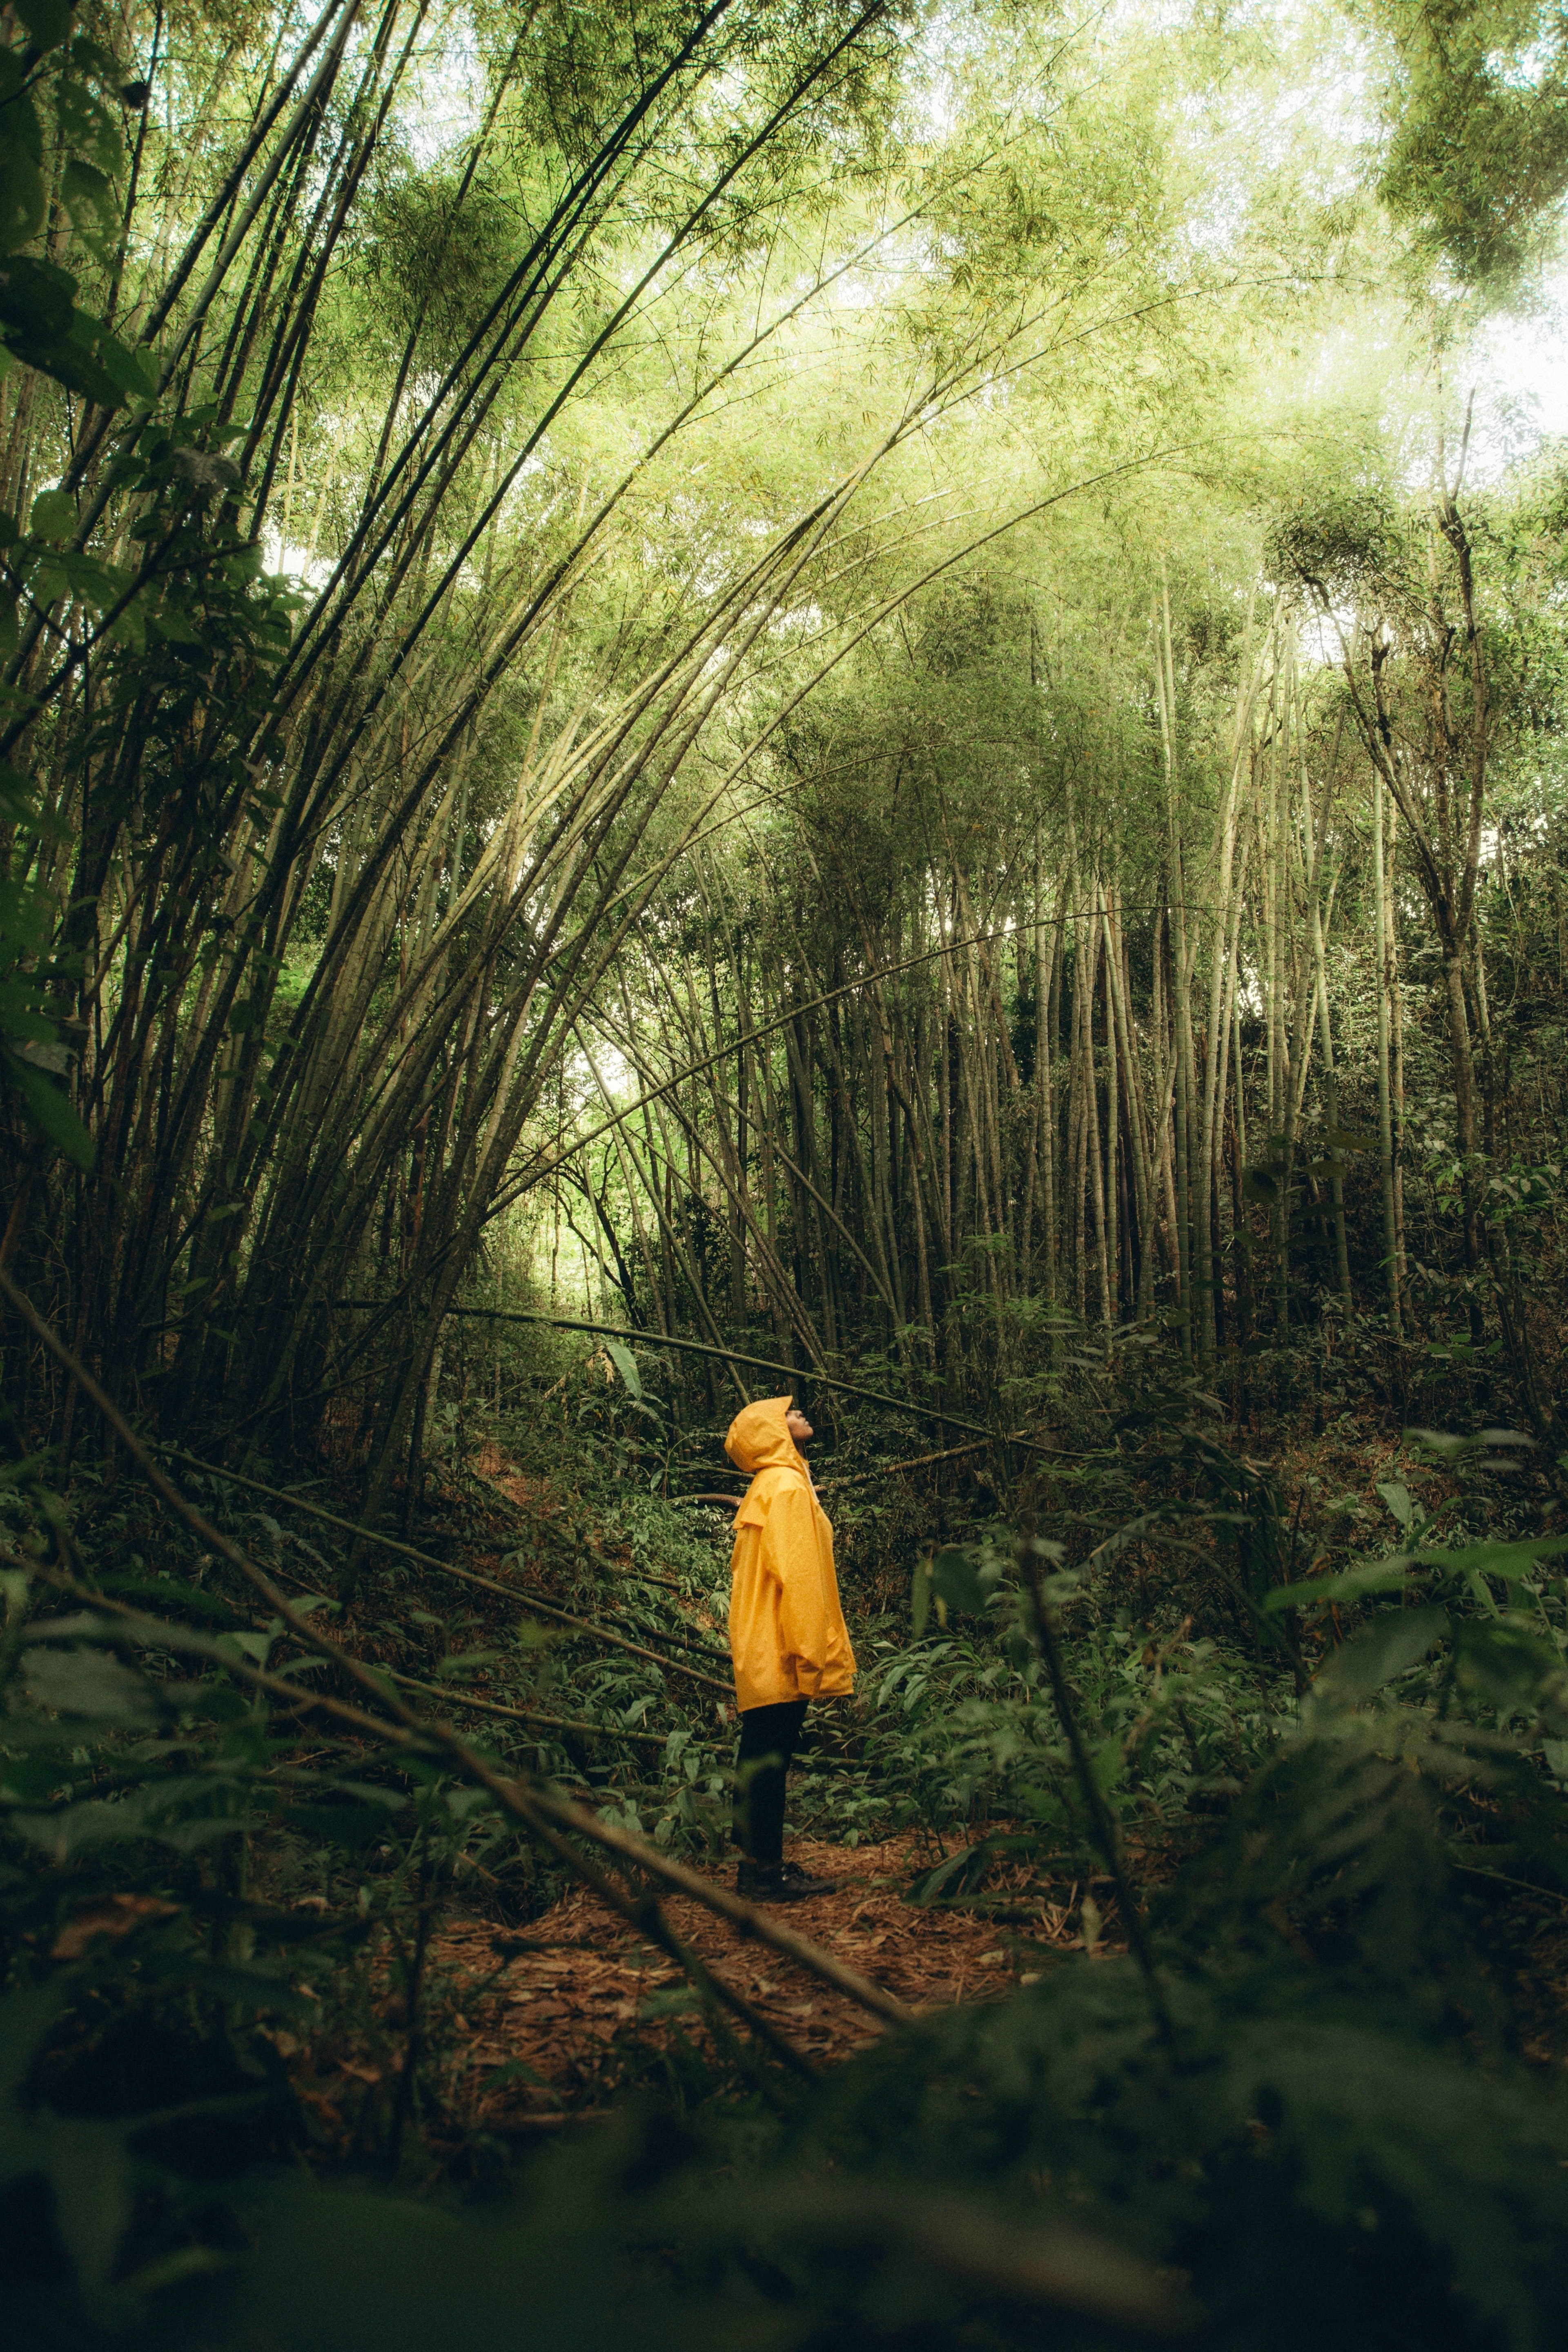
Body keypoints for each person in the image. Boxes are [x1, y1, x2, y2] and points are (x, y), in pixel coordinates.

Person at [723, 1394, 856, 1902]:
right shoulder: (785, 1486)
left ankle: (758, 1866)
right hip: (782, 1643)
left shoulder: (772, 1484)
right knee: (770, 1759)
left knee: (760, 1754)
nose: (799, 1413)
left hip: (765, 1641)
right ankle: (764, 1875)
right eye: (788, 1414)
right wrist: (811, 1652)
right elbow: (797, 1577)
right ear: (772, 1433)